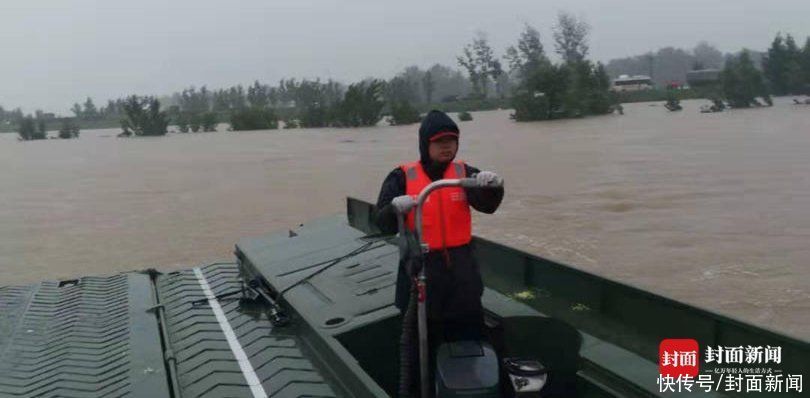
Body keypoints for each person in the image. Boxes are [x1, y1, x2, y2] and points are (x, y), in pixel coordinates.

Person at [374, 110, 504, 396]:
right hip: (420, 269)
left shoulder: (464, 174)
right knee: (420, 341)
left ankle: (472, 386)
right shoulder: (401, 176)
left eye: (452, 140)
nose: (447, 146)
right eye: (440, 141)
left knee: (468, 330)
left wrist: (493, 187)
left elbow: (488, 205)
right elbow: (380, 223)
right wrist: (395, 208)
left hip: (461, 270)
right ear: (425, 144)